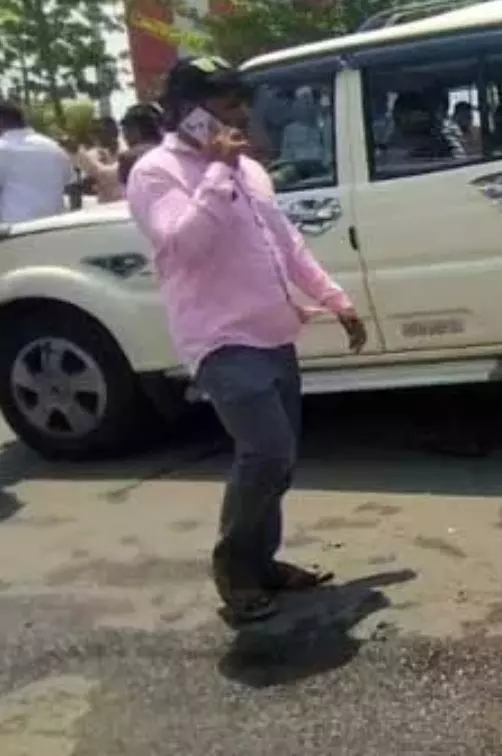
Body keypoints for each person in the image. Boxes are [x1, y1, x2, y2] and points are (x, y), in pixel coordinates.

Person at [126, 56, 367, 625]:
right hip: (221, 338)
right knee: (266, 452)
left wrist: (336, 299)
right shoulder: (156, 172)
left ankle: (262, 562)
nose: (240, 114)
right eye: (226, 104)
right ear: (187, 112)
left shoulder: (251, 172)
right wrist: (215, 172)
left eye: (240, 102)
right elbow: (182, 247)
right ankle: (234, 568)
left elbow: (286, 245)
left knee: (277, 461)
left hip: (275, 332)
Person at [0, 101, 74, 223]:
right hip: (56, 228)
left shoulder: (2, 149)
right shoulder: (53, 147)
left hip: (16, 233)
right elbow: (71, 183)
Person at [116, 103, 163, 191]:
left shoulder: (128, 158)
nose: (124, 135)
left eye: (125, 129)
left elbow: (127, 195)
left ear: (136, 129)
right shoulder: (174, 151)